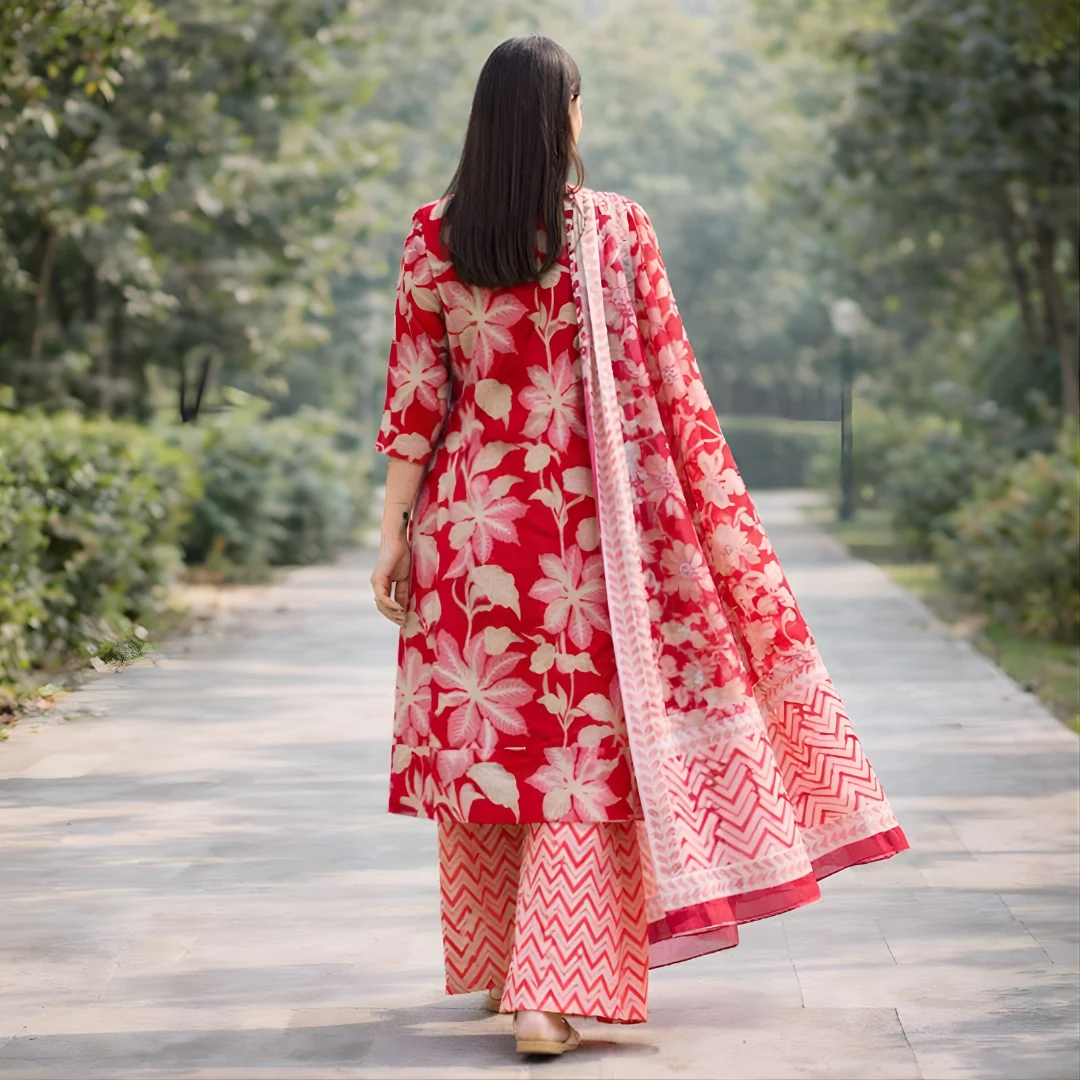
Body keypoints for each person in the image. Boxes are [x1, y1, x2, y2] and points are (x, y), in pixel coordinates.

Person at [370, 34, 908, 1058]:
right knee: (582, 765)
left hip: (470, 537)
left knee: (501, 752)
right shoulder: (615, 229)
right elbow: (675, 388)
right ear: (561, 118)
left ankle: (500, 965)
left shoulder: (431, 235)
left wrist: (395, 537)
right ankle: (547, 995)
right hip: (588, 543)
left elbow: (414, 404)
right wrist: (702, 523)